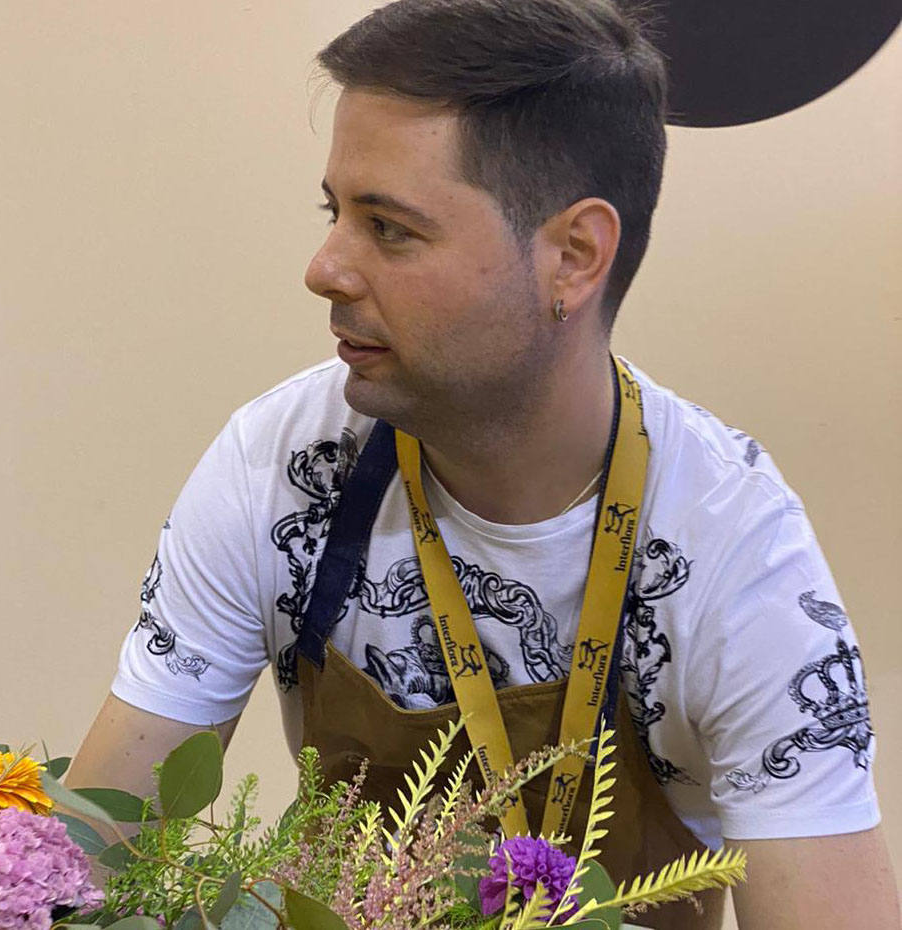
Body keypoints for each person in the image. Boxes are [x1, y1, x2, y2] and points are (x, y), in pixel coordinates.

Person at [67, 1, 900, 926]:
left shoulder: (734, 552)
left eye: (388, 228)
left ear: (573, 256)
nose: (323, 267)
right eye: (334, 211)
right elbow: (86, 862)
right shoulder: (283, 464)